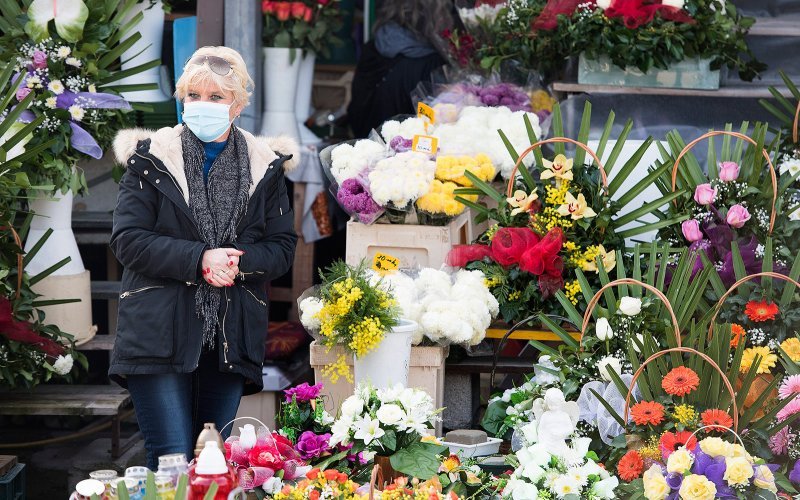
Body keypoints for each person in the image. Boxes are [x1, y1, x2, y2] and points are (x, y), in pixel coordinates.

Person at [109, 46, 298, 470]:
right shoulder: (150, 159)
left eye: (216, 97)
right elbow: (128, 240)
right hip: (158, 332)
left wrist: (235, 263)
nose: (202, 105)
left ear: (239, 104)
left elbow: (282, 247)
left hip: (229, 338)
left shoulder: (265, 166)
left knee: (214, 465)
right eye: (193, 95)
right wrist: (199, 259)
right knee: (172, 461)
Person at [347, 0, 456, 138]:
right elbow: (437, 123)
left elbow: (356, 107)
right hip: (406, 150)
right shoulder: (432, 62)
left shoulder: (375, 45)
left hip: (362, 139)